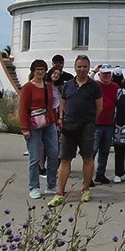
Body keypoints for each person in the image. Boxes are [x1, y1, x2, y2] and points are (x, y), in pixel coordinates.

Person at [48, 55, 102, 207]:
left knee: (87, 158)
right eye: (79, 66)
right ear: (75, 67)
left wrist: (91, 121)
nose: (82, 69)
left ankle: (85, 189)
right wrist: (62, 118)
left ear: (88, 67)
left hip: (87, 125)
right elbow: (63, 103)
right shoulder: (68, 85)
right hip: (69, 125)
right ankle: (60, 192)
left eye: (85, 66)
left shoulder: (94, 86)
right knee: (65, 159)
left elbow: (99, 107)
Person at [20, 60, 58, 199]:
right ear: (33, 71)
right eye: (38, 69)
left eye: (43, 69)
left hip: (49, 123)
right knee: (35, 157)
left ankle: (51, 184)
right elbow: (23, 109)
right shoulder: (28, 88)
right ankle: (34, 186)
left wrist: (55, 120)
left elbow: (51, 105)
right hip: (33, 125)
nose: (40, 72)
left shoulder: (48, 86)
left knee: (54, 154)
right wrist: (25, 128)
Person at [93, 65, 121, 184]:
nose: (107, 76)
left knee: (105, 150)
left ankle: (100, 174)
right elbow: (86, 81)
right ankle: (88, 175)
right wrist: (94, 70)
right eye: (104, 74)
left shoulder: (115, 87)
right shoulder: (95, 85)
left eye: (109, 74)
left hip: (109, 123)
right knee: (92, 151)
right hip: (96, 123)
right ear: (99, 75)